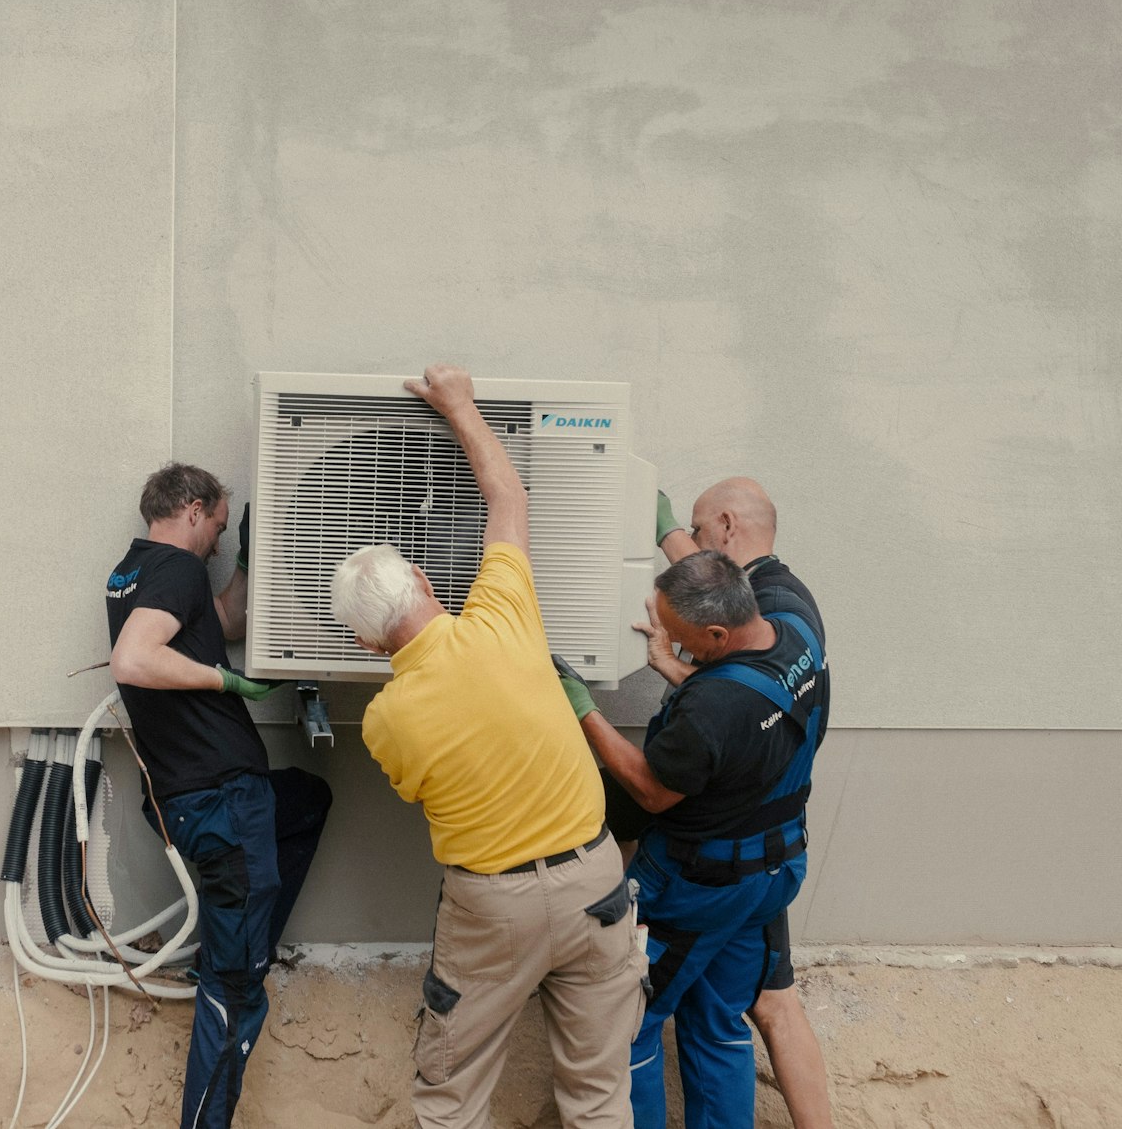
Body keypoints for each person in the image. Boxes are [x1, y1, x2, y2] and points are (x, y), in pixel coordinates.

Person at [330, 364, 641, 1129]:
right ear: (426, 580)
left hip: (494, 907)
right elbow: (509, 496)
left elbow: (420, 789)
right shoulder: (505, 611)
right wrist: (459, 404)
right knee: (601, 1094)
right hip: (597, 878)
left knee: (452, 1094)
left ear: (366, 644)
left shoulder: (386, 719)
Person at [105, 462, 333, 1129]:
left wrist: (249, 563)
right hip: (221, 802)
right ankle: (233, 966)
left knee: (308, 800)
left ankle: (239, 948)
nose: (218, 542)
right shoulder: (177, 568)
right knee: (234, 997)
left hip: (197, 798)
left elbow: (221, 620)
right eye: (221, 528)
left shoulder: (133, 571)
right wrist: (226, 683)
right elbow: (133, 658)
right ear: (194, 510)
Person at [575, 551, 827, 1129]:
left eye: (675, 632)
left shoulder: (710, 708)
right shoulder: (795, 633)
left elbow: (650, 790)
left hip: (698, 886)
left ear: (716, 633)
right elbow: (743, 711)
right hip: (772, 871)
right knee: (717, 1022)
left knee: (627, 1022)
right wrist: (673, 663)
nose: (665, 638)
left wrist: (583, 708)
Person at [647, 479, 834, 1129]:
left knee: (633, 1020)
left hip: (711, 870)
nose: (694, 546)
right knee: (735, 1012)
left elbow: (659, 782)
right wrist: (668, 532)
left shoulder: (720, 698)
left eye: (699, 532)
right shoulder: (794, 612)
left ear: (726, 526)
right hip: (773, 856)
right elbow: (714, 591)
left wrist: (591, 705)